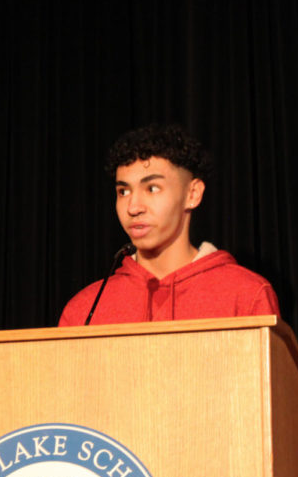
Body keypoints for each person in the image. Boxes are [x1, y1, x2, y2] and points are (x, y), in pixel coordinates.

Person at [58, 123, 280, 326]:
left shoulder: (246, 295)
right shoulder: (85, 309)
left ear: (192, 193)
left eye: (152, 188)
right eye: (123, 191)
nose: (133, 207)